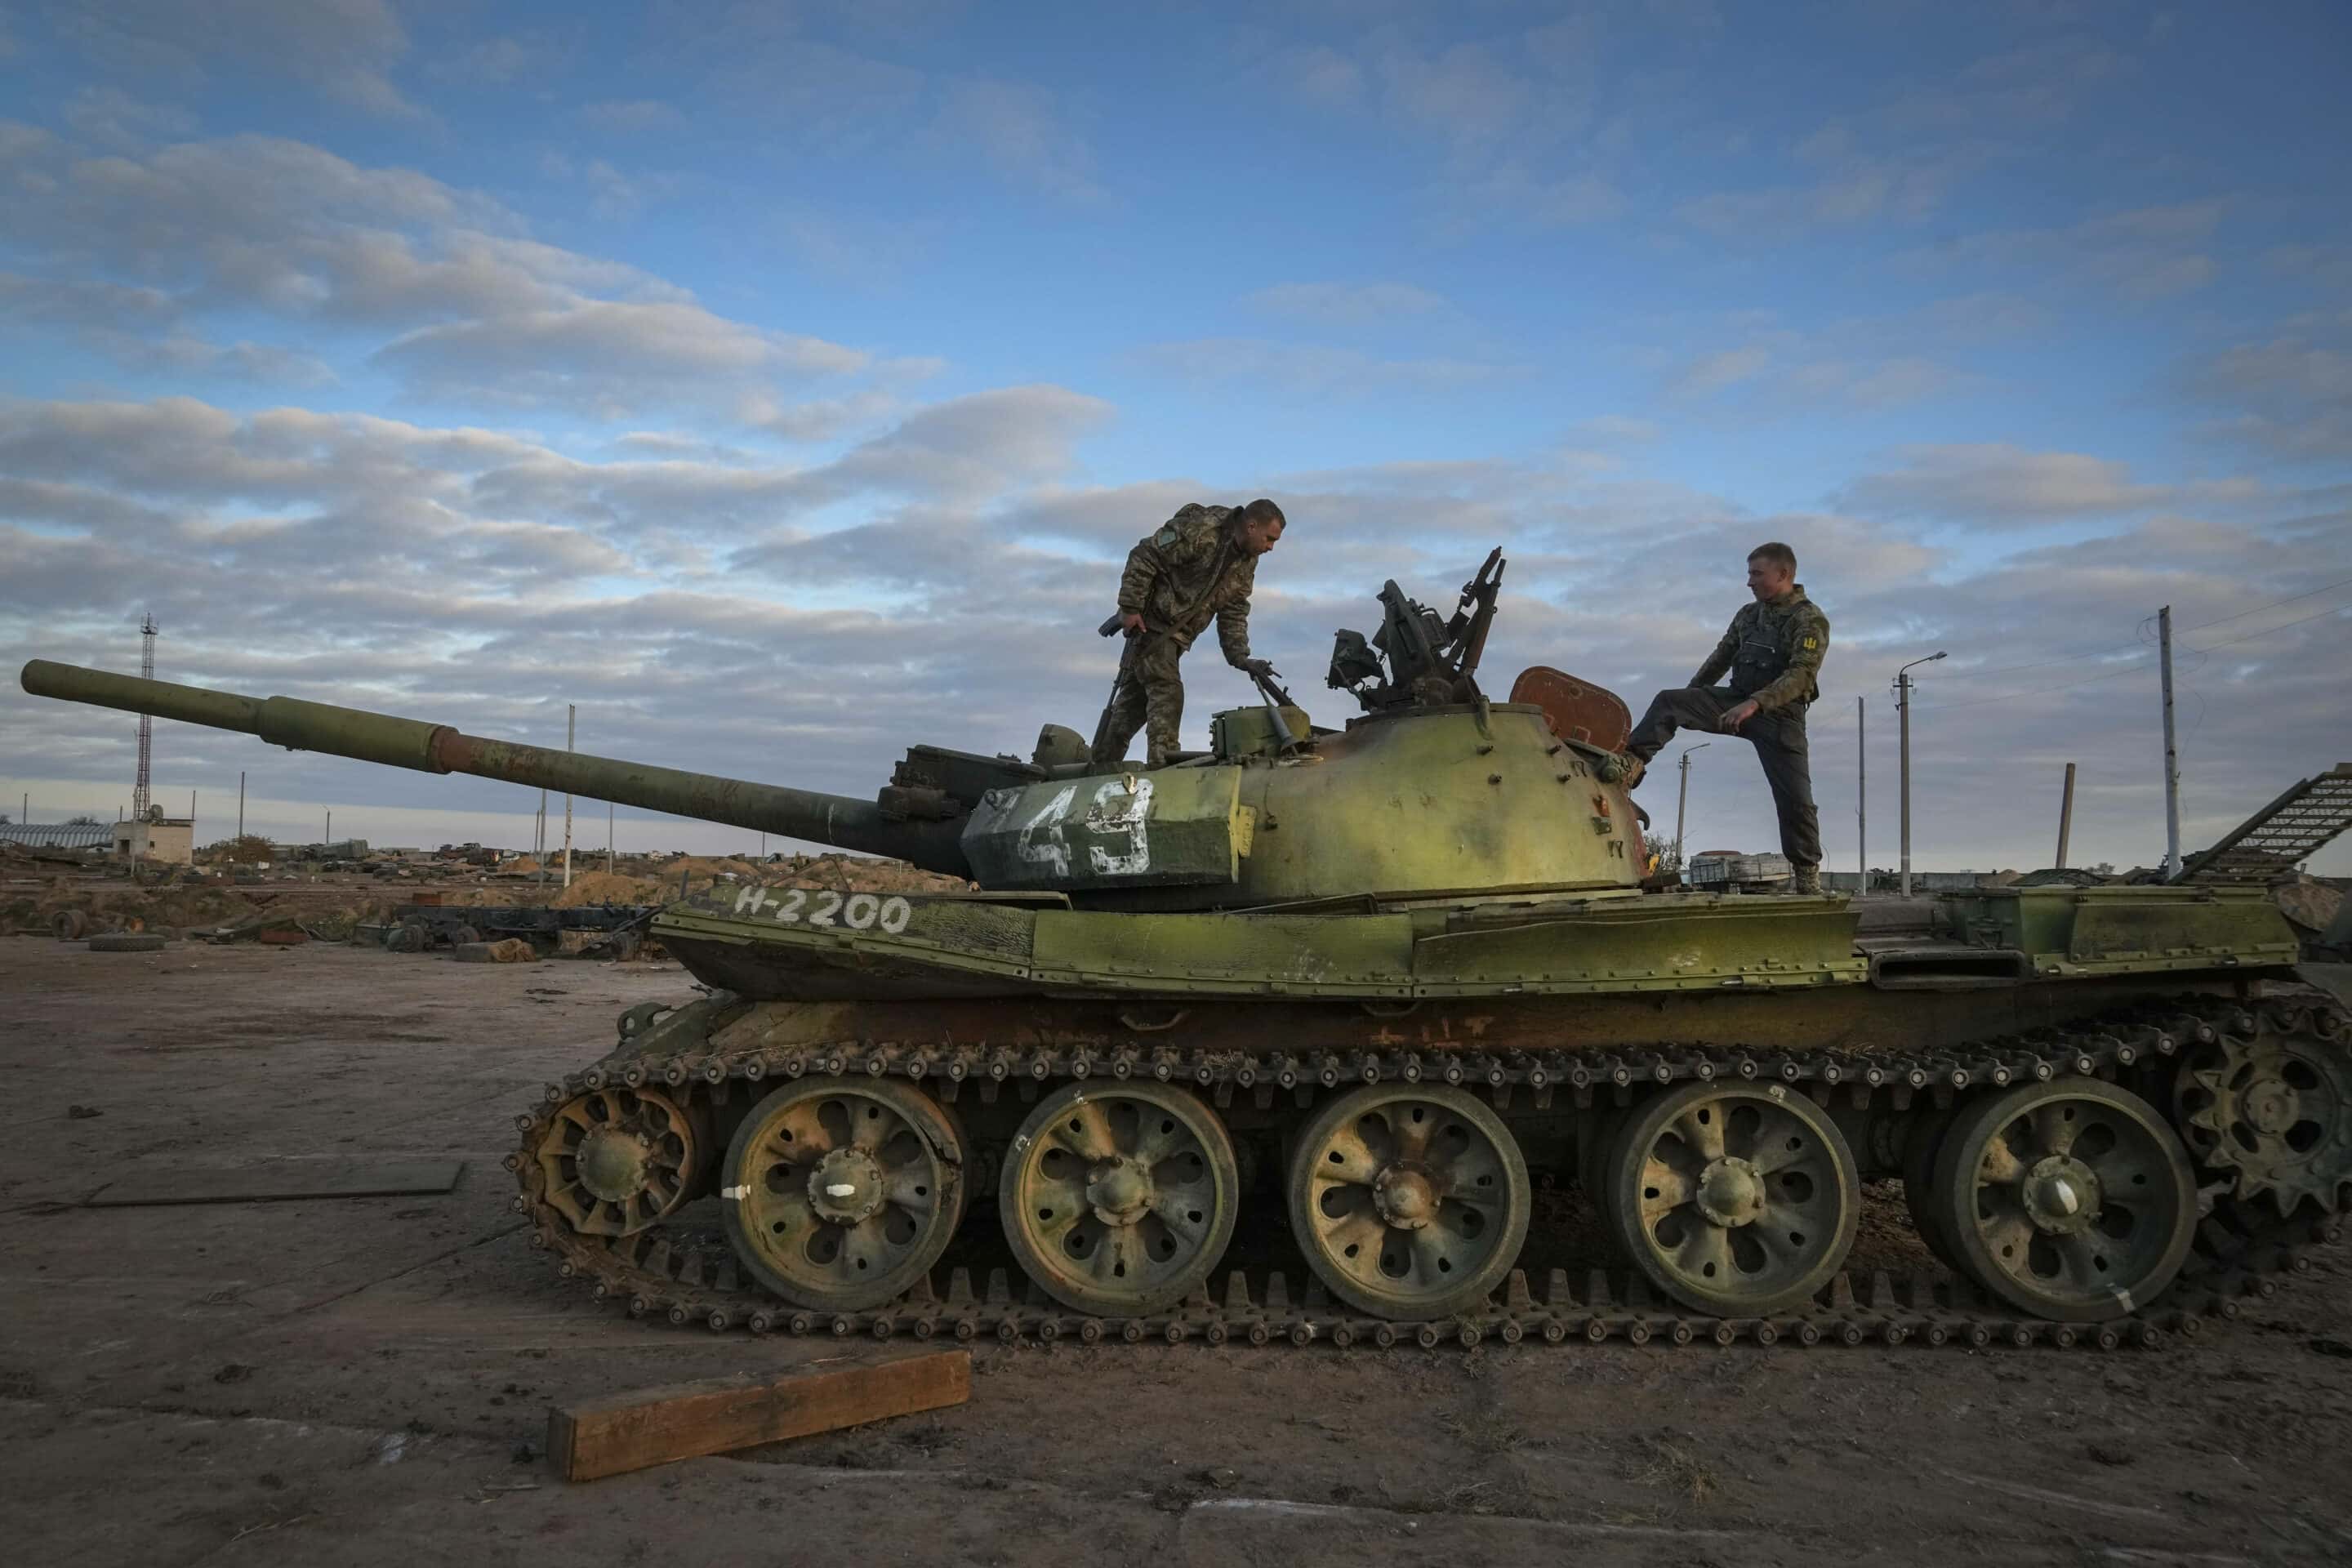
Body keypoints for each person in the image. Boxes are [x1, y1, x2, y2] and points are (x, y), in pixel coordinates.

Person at [1625, 541, 1829, 894]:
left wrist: (1755, 704)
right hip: (1734, 701)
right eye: (1749, 574)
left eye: (1756, 574)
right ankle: (1631, 763)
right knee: (1668, 702)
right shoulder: (1748, 615)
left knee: (1796, 800)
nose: (1749, 582)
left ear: (1783, 575)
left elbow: (1801, 675)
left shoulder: (1809, 619)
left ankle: (1807, 873)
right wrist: (1694, 696)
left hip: (1781, 716)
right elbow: (1721, 657)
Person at [1089, 499, 1285, 770]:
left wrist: (1241, 657)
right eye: (1269, 538)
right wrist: (1131, 608)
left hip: (1177, 638)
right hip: (1151, 626)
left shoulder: (1246, 561)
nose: (1271, 547)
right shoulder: (1204, 530)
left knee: (1131, 709)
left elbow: (1235, 609)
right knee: (1167, 690)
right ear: (1252, 526)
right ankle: (1164, 767)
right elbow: (1145, 555)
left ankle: (1098, 767)